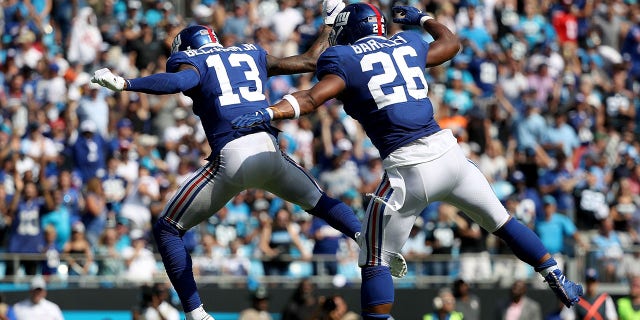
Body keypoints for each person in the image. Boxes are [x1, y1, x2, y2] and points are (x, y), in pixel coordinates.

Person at [231, 4, 584, 319]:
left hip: (407, 170)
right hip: (450, 156)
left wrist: (269, 110)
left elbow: (310, 98)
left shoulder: (344, 59)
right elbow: (451, 44)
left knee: (373, 260)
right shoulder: (408, 42)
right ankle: (556, 275)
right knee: (503, 222)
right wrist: (424, 18)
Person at [89, 1, 405, 319]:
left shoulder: (193, 60)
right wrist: (328, 22)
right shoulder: (249, 53)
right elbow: (311, 60)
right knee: (320, 202)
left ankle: (195, 312)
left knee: (167, 229)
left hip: (234, 155)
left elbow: (178, 83)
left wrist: (128, 83)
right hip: (270, 151)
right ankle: (368, 241)